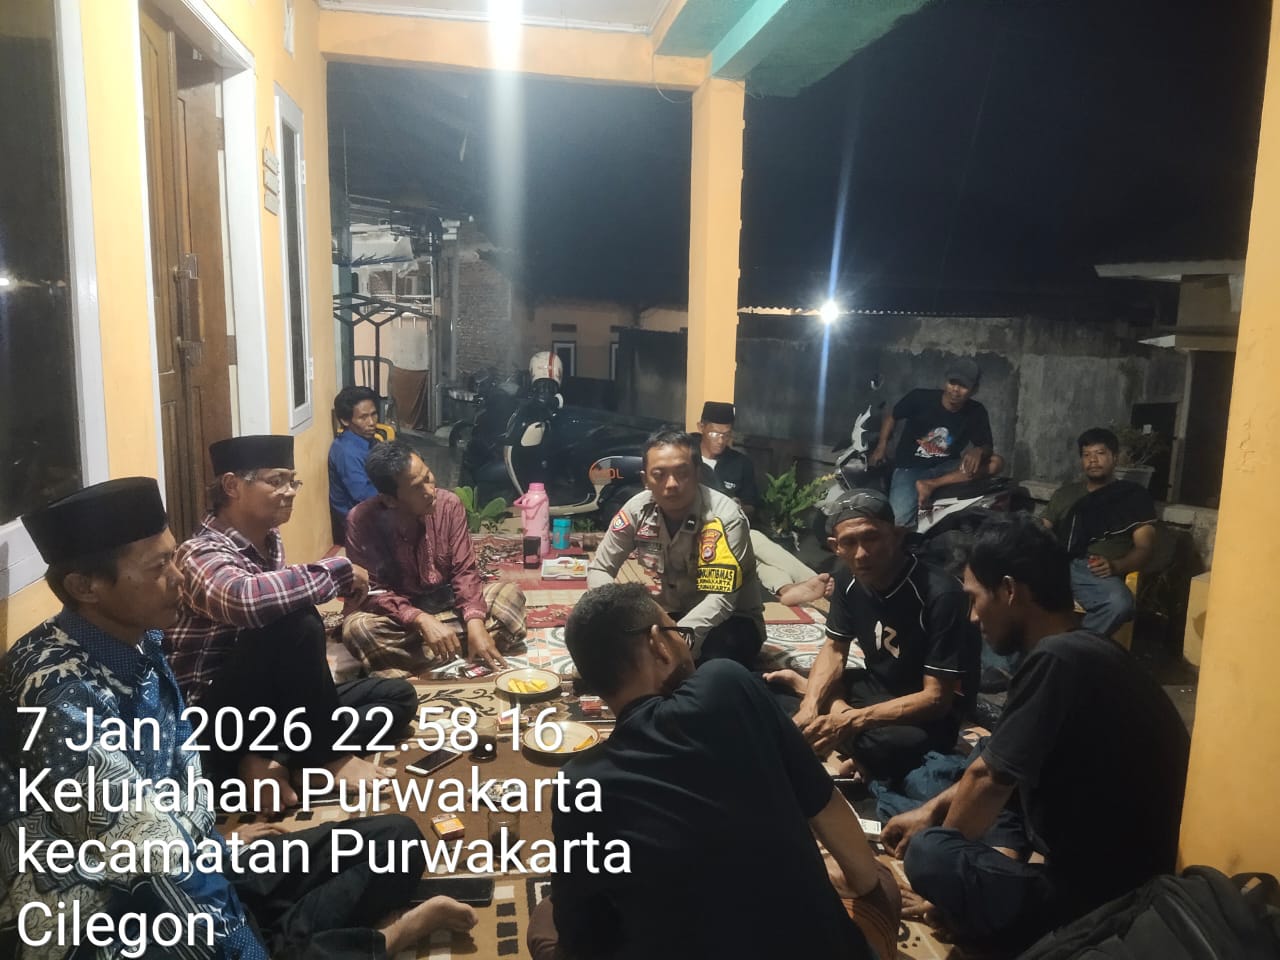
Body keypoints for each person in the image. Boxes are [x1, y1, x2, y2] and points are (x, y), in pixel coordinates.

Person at [0, 478, 476, 959]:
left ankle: (292, 938)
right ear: (85, 587)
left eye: (173, 559)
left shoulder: (141, 640)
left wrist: (214, 840)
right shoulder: (59, 694)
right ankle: (372, 943)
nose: (179, 578)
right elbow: (153, 869)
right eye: (160, 567)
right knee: (228, 936)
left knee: (396, 841)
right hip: (105, 912)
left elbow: (177, 786)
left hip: (192, 858)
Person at [527, 582, 900, 960]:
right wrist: (861, 883)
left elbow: (581, 937)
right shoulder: (727, 682)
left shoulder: (578, 783)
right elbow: (829, 812)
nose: (686, 645)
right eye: (679, 634)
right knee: (881, 880)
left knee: (546, 916)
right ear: (658, 643)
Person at [881, 516, 1190, 952]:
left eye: (974, 599)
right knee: (971, 766)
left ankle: (984, 912)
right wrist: (929, 812)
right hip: (1089, 866)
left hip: (1101, 899)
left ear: (1009, 591)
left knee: (930, 852)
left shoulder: (1057, 659)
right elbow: (994, 762)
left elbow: (988, 781)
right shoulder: (1080, 650)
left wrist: (946, 873)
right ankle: (987, 883)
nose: (972, 616)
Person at [167, 435, 416, 809]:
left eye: (292, 481)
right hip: (212, 717)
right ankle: (327, 757)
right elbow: (245, 601)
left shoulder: (270, 540)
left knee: (396, 697)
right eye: (276, 481)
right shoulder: (198, 553)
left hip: (267, 706)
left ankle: (274, 762)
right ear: (232, 486)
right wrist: (339, 570)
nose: (290, 491)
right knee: (296, 620)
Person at [766, 489, 980, 782]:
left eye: (871, 538)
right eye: (849, 542)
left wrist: (850, 720)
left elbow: (936, 699)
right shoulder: (847, 577)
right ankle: (826, 712)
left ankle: (838, 725)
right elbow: (835, 649)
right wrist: (811, 704)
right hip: (875, 688)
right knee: (766, 687)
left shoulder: (941, 593)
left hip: (923, 712)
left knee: (889, 747)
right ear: (835, 546)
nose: (861, 554)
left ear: (896, 535)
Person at [341, 440, 526, 677]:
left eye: (428, 477)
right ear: (390, 499)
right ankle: (459, 648)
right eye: (416, 488)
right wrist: (420, 619)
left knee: (509, 595)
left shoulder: (449, 505)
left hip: (447, 604)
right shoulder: (361, 521)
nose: (430, 491)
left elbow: (465, 571)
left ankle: (432, 652)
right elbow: (372, 592)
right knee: (358, 630)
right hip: (398, 618)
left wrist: (475, 622)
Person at [588, 429, 767, 665]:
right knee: (602, 639)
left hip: (730, 621)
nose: (671, 484)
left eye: (682, 473)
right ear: (645, 480)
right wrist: (618, 615)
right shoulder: (636, 510)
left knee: (710, 665)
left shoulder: (724, 517)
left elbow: (721, 600)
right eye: (659, 475)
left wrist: (674, 638)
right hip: (670, 614)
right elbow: (600, 568)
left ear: (697, 473)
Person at [697, 399, 834, 608]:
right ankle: (811, 579)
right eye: (715, 433)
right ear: (701, 428)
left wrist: (738, 506)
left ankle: (787, 589)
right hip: (699, 531)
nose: (721, 440)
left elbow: (752, 504)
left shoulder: (740, 463)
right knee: (754, 538)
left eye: (727, 434)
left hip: (732, 528)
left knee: (753, 557)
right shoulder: (688, 458)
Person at [1042, 427, 1157, 637]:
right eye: (1086, 455)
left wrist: (1116, 566)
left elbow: (1144, 547)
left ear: (1115, 458)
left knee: (1119, 604)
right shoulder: (1066, 494)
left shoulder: (1133, 496)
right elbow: (1041, 528)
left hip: (1096, 570)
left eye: (1100, 453)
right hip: (1058, 563)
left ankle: (1072, 648)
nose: (1093, 460)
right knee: (1006, 589)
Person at [869, 360, 1004, 526]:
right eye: (952, 382)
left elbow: (987, 445)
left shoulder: (976, 411)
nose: (955, 390)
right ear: (945, 381)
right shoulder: (920, 398)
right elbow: (892, 416)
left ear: (974, 390)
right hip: (910, 467)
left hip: (947, 467)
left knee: (996, 462)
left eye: (963, 386)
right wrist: (881, 446)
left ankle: (930, 485)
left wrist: (979, 450)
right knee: (898, 521)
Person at [328, 385, 381, 545]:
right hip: (359, 523)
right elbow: (364, 495)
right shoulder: (346, 452)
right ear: (345, 421)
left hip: (376, 508)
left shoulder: (370, 441)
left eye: (374, 414)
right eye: (363, 417)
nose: (371, 422)